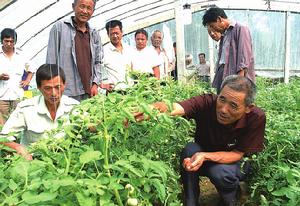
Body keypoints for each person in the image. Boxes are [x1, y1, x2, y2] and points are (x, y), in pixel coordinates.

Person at [135, 75, 265, 206]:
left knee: (219, 172)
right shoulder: (207, 102)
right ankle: (191, 200)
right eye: (222, 99)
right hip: (203, 160)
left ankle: (232, 197)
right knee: (190, 150)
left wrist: (205, 156)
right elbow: (178, 107)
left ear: (248, 107)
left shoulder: (256, 117)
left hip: (234, 164)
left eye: (233, 105)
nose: (223, 110)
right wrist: (151, 109)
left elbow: (237, 154)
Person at [0, 64, 79, 160]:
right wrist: (18, 147)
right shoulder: (26, 109)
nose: (54, 93)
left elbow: (91, 127)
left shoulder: (74, 106)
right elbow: (3, 138)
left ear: (64, 85)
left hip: (66, 160)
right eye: (48, 88)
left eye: (58, 87)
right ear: (39, 87)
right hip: (34, 164)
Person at [46, 0, 103, 101]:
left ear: (93, 11)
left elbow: (98, 61)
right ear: (73, 7)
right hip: (66, 91)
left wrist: (95, 83)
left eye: (89, 8)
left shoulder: (94, 33)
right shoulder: (59, 28)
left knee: (88, 116)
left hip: (89, 90)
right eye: (82, 6)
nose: (85, 11)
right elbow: (51, 62)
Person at [203, 7, 255, 94]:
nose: (213, 29)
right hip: (223, 72)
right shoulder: (225, 35)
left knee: (235, 101)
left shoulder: (241, 29)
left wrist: (239, 82)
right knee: (223, 100)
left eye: (212, 25)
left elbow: (244, 57)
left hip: (236, 75)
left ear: (219, 19)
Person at [0, 28, 34, 125]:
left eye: (12, 41)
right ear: (2, 41)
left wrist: (27, 80)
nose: (9, 44)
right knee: (3, 127)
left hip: (18, 96)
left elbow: (31, 69)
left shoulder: (21, 55)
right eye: (6, 41)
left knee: (18, 123)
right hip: (2, 97)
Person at [102, 20, 133, 92]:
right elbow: (94, 70)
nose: (115, 36)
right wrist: (102, 85)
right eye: (112, 34)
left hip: (131, 92)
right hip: (115, 93)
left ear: (121, 32)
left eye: (117, 33)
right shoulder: (103, 51)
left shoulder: (129, 49)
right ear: (108, 34)